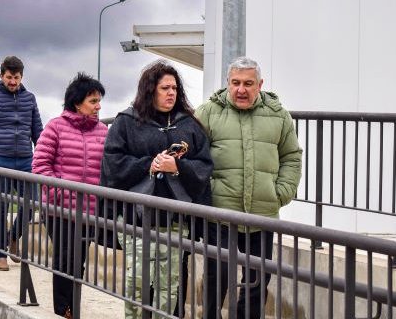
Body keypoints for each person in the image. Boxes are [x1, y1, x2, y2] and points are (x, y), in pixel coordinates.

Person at [100, 60, 213, 318]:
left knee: (169, 286)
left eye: (174, 88)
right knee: (137, 283)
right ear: (150, 90)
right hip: (136, 220)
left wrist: (178, 167)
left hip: (174, 221)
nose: (171, 93)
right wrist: (147, 163)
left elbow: (205, 166)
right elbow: (112, 164)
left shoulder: (189, 125)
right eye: (164, 88)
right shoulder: (127, 122)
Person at [196, 56, 302, 319]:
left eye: (248, 83)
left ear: (260, 84)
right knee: (216, 278)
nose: (241, 89)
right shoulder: (208, 112)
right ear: (227, 83)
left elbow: (292, 156)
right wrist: (208, 190)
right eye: (235, 83)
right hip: (220, 214)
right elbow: (194, 157)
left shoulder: (279, 115)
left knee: (257, 282)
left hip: (262, 215)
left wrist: (281, 192)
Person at [32, 72, 108, 318]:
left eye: (99, 101)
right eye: (93, 101)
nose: (98, 107)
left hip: (88, 211)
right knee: (65, 259)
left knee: (79, 261)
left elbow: (108, 168)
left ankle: (71, 308)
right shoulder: (55, 126)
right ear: (77, 103)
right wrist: (58, 193)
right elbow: (41, 165)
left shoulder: (103, 132)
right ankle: (62, 308)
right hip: (59, 209)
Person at [0, 56, 43, 271]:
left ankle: (13, 237)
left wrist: (41, 158)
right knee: (0, 207)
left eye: (16, 77)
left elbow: (38, 132)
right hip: (0, 160)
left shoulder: (30, 99)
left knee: (32, 204)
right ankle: (0, 254)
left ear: (21, 77)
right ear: (1, 75)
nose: (12, 82)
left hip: (26, 160)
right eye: (8, 77)